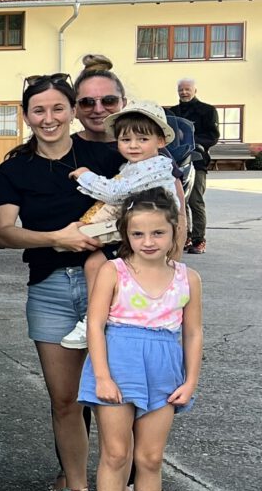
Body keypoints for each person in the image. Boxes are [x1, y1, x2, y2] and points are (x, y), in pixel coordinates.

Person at [0, 73, 124, 491]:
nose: (48, 118)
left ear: (71, 112)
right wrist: (58, 238)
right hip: (49, 287)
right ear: (27, 116)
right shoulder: (15, 167)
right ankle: (77, 490)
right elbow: (3, 230)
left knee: (114, 395)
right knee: (64, 398)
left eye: (57, 109)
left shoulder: (103, 156)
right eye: (38, 111)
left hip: (109, 286)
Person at [78, 190, 203, 491]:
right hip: (119, 363)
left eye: (157, 233)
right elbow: (96, 324)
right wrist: (101, 375)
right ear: (125, 235)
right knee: (116, 454)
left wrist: (190, 379)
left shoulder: (188, 278)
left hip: (164, 369)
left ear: (175, 232)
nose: (148, 242)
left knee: (149, 456)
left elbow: (193, 332)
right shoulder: (112, 271)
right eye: (138, 235)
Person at [61, 101, 185, 350]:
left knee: (123, 271)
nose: (134, 145)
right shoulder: (133, 167)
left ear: (161, 141)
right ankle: (99, 317)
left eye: (142, 139)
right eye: (126, 139)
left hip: (150, 233)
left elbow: (116, 193)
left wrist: (84, 174)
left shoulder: (155, 167)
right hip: (136, 230)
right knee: (97, 263)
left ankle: (100, 320)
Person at [166, 78, 218, 254]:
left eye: (187, 89)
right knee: (181, 201)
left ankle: (198, 239)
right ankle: (185, 236)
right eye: (181, 89)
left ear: (195, 90)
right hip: (177, 161)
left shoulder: (207, 110)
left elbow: (213, 136)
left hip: (197, 160)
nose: (184, 92)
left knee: (195, 200)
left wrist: (190, 141)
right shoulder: (171, 113)